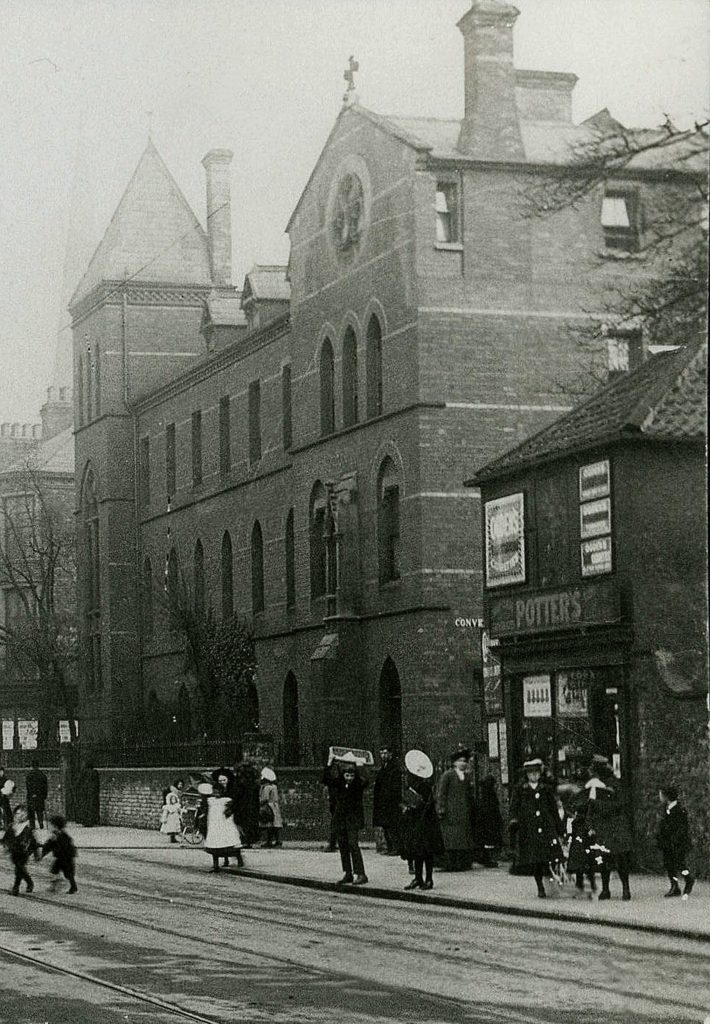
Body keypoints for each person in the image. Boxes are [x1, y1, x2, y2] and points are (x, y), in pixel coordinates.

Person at [508, 758, 564, 898]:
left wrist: (559, 828)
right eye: (531, 773)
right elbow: (514, 808)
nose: (534, 775)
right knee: (536, 860)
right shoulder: (521, 790)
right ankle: (540, 886)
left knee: (551, 856)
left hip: (546, 828)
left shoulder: (546, 789)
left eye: (536, 772)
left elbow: (553, 810)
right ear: (526, 775)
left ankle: (554, 884)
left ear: (540, 773)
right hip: (530, 829)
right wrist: (514, 821)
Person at [583, 757, 633, 901]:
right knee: (603, 860)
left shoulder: (614, 785)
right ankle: (606, 889)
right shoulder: (595, 785)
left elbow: (619, 805)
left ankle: (625, 889)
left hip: (616, 826)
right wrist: (590, 825)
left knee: (620, 858)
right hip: (604, 827)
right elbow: (590, 809)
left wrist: (597, 803)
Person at [400, 750, 444, 890]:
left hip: (425, 823)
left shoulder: (424, 787)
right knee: (416, 851)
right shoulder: (412, 787)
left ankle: (429, 879)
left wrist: (412, 807)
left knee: (426, 852)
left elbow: (425, 804)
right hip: (415, 822)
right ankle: (418, 878)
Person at [436, 749, 475, 871]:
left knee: (463, 839)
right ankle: (451, 863)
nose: (463, 763)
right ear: (454, 763)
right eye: (460, 761)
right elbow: (441, 793)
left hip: (463, 813)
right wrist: (441, 808)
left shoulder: (466, 777)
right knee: (452, 840)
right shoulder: (448, 775)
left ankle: (462, 863)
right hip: (451, 813)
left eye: (465, 761)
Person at [331, 760, 369, 885]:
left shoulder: (357, 785)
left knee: (353, 844)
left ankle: (361, 873)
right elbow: (327, 779)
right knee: (343, 846)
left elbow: (365, 781)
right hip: (341, 819)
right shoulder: (339, 784)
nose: (349, 778)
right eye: (347, 775)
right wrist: (330, 763)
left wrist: (360, 767)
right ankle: (348, 873)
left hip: (353, 820)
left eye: (352, 776)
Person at [197, 779, 244, 873]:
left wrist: (229, 811)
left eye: (218, 792)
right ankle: (215, 865)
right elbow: (205, 807)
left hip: (225, 824)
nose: (216, 794)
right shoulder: (210, 801)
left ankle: (239, 860)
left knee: (229, 842)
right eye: (214, 792)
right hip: (214, 825)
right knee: (215, 845)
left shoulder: (226, 800)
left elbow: (234, 807)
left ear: (222, 792)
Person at [657, 783, 695, 899]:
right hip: (668, 843)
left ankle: (689, 879)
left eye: (661, 795)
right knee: (669, 865)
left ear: (666, 796)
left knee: (680, 863)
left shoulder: (679, 810)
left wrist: (675, 840)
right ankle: (674, 886)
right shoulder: (666, 809)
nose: (660, 797)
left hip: (677, 843)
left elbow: (681, 829)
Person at [2, 805, 39, 895]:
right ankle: (29, 882)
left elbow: (34, 842)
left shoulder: (28, 828)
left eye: (23, 814)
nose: (20, 816)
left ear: (26, 815)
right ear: (15, 815)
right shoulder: (12, 826)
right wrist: (5, 845)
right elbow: (5, 838)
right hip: (14, 852)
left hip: (24, 852)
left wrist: (36, 854)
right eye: (18, 813)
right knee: (20, 868)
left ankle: (16, 888)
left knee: (19, 868)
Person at [372, 746, 402, 855]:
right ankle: (390, 847)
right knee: (386, 825)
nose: (383, 756)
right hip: (384, 801)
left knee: (392, 825)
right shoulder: (384, 767)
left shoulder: (394, 768)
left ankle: (396, 847)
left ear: (391, 754)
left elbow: (393, 786)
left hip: (391, 801)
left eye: (385, 753)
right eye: (381, 753)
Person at [41, 814, 78, 894]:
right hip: (60, 858)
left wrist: (56, 848)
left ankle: (73, 887)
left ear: (56, 826)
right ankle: (55, 885)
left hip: (66, 858)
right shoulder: (55, 835)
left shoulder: (63, 836)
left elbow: (64, 846)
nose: (49, 827)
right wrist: (43, 853)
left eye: (51, 825)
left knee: (68, 874)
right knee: (54, 871)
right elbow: (48, 845)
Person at [474, 774, 503, 868]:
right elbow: (493, 808)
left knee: (486, 840)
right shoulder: (490, 795)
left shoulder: (483, 794)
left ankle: (485, 857)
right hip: (489, 820)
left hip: (485, 820)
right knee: (489, 840)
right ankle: (488, 859)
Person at [233, 762, 260, 848]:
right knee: (251, 823)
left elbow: (238, 794)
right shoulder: (254, 784)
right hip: (252, 805)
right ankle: (251, 840)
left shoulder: (240, 783)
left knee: (243, 823)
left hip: (243, 805)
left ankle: (245, 840)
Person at [259, 767, 283, 847]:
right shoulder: (274, 786)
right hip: (275, 806)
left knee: (269, 825)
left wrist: (259, 803)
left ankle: (269, 841)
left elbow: (265, 798)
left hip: (269, 807)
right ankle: (278, 841)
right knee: (276, 824)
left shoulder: (266, 787)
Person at [320, 760, 341, 852]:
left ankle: (333, 844)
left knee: (336, 823)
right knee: (336, 823)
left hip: (341, 802)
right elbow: (325, 779)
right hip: (335, 802)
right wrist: (328, 764)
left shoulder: (341, 779)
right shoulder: (334, 781)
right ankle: (334, 844)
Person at [25, 760, 49, 831]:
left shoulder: (29, 775)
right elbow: (45, 787)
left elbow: (28, 786)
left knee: (31, 811)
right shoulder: (42, 775)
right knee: (40, 811)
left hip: (31, 796)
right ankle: (41, 823)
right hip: (40, 796)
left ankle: (32, 825)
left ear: (32, 766)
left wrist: (31, 794)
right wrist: (44, 795)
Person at [159, 780, 183, 844]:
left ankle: (174, 837)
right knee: (172, 826)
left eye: (181, 785)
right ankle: (173, 837)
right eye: (179, 784)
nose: (180, 786)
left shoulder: (178, 792)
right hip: (171, 812)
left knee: (175, 826)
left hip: (175, 813)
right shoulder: (174, 791)